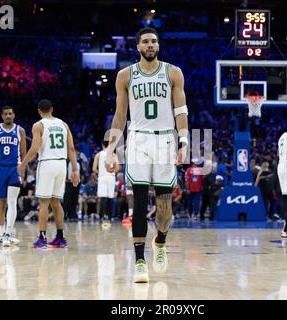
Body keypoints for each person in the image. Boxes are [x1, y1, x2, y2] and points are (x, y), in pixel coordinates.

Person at [104, 27, 189, 283]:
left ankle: (160, 241)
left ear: (158, 46)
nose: (150, 45)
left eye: (154, 41)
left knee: (164, 208)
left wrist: (183, 142)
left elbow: (181, 110)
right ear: (138, 47)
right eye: (145, 42)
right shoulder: (124, 75)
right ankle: (140, 261)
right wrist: (110, 149)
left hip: (165, 138)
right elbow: (120, 116)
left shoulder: (173, 72)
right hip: (138, 137)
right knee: (139, 203)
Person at [17, 99, 80, 248]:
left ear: (39, 111)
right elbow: (71, 149)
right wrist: (75, 170)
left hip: (47, 163)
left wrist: (23, 164)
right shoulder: (64, 125)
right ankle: (60, 237)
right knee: (56, 203)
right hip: (62, 164)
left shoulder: (38, 125)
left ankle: (42, 238)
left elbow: (34, 148)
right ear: (52, 109)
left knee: (44, 203)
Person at [0, 106, 26, 246]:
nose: (8, 116)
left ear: (14, 115)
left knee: (12, 202)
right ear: (2, 116)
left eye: (10, 113)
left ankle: (8, 234)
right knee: (1, 203)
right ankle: (2, 233)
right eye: (5, 114)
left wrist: (23, 170)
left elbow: (23, 154)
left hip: (14, 169)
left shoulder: (20, 130)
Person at [93, 139, 119, 224]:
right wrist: (111, 171)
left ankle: (103, 216)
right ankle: (109, 216)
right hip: (111, 177)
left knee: (103, 197)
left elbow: (94, 169)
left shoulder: (98, 155)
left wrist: (100, 172)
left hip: (102, 177)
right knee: (110, 197)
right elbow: (117, 168)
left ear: (102, 144)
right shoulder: (113, 155)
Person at [63, 156, 81, 222]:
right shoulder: (66, 162)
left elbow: (80, 173)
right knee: (67, 200)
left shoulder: (78, 163)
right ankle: (64, 215)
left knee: (74, 200)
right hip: (69, 182)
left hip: (77, 183)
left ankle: (72, 216)